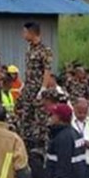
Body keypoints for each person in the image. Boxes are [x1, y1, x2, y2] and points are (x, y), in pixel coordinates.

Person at [18, 22, 56, 154]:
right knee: (26, 119)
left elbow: (47, 70)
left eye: (25, 32)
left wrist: (43, 87)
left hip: (38, 89)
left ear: (32, 33)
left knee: (41, 120)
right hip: (28, 89)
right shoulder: (29, 49)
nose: (23, 35)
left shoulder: (45, 50)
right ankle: (26, 149)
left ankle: (43, 150)